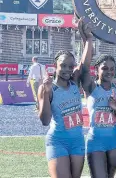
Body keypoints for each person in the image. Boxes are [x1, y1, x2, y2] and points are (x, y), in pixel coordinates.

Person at [37, 17, 89, 178]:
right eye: (63, 66)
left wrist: (88, 39)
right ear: (55, 66)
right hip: (57, 141)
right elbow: (45, 120)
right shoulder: (47, 88)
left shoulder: (74, 82)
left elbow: (85, 63)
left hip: (78, 141)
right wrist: (45, 93)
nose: (67, 69)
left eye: (70, 66)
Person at [80, 24, 116, 178]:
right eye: (105, 68)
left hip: (114, 143)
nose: (109, 71)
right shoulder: (91, 87)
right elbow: (84, 68)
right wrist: (88, 40)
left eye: (112, 68)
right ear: (97, 70)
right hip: (95, 142)